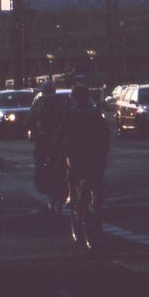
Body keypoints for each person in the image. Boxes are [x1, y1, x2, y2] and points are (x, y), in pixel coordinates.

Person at [57, 78, 110, 236]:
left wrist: (60, 146)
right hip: (95, 154)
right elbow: (105, 132)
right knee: (97, 180)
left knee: (72, 176)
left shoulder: (70, 113)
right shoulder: (95, 113)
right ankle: (97, 203)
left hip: (77, 155)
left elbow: (61, 133)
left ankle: (72, 198)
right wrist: (104, 147)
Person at [27, 79, 69, 211]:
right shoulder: (62, 102)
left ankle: (44, 186)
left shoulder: (40, 103)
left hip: (44, 140)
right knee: (64, 166)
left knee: (40, 163)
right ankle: (64, 190)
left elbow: (29, 119)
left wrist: (32, 128)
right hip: (60, 141)